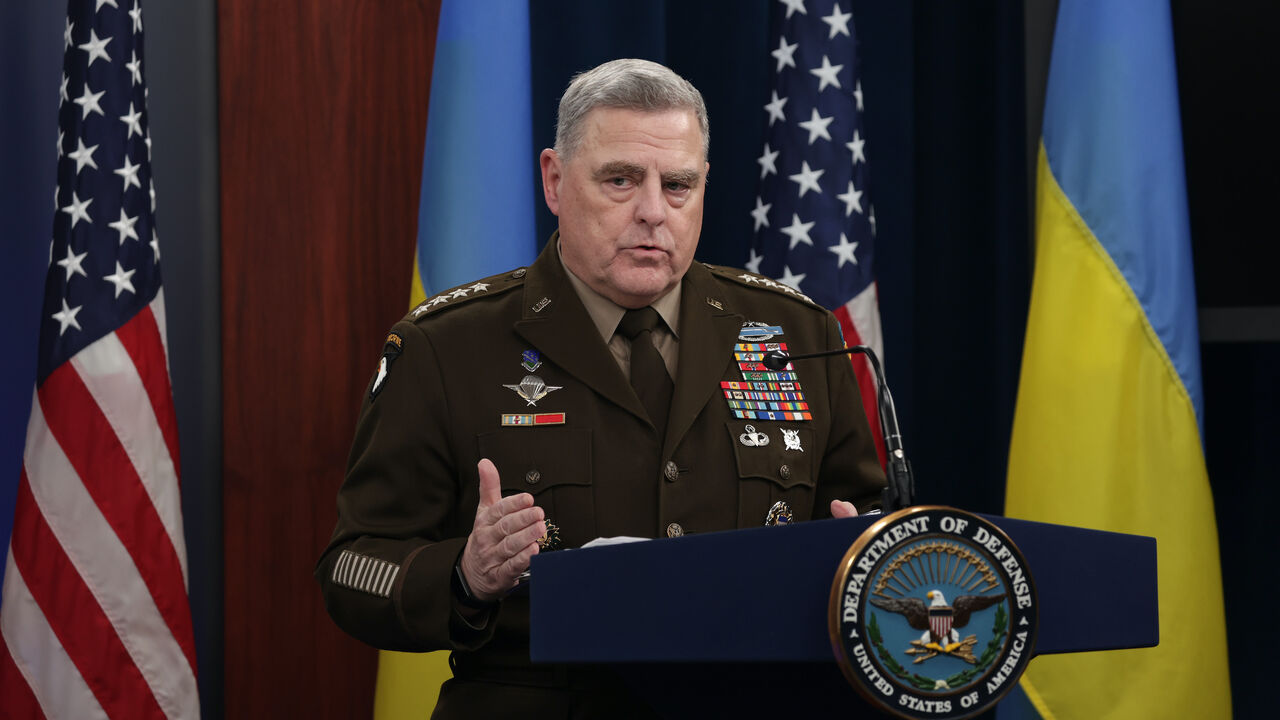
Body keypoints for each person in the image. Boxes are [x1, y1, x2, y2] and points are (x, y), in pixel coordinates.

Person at [316, 58, 886, 718]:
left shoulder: (794, 331)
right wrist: (465, 576)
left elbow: (867, 528)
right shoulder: (446, 345)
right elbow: (351, 569)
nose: (652, 212)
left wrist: (860, 556)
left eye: (678, 186)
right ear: (555, 180)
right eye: (620, 180)